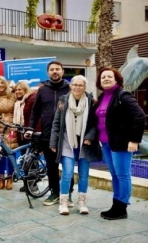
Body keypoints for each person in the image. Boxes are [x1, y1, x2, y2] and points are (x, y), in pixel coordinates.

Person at [94, 67, 145, 220]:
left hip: (121, 143)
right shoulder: (102, 97)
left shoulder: (123, 95)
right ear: (99, 81)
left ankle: (122, 208)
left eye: (110, 76)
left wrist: (134, 140)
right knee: (115, 175)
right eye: (103, 77)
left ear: (116, 80)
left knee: (123, 175)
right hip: (106, 143)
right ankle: (116, 205)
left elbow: (139, 116)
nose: (106, 79)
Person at [50, 75, 101, 215]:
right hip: (67, 142)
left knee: (84, 175)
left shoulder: (92, 102)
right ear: (71, 86)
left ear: (85, 87)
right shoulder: (63, 101)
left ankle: (82, 203)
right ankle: (63, 203)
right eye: (75, 84)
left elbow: (94, 124)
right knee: (67, 174)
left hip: (84, 144)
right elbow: (56, 124)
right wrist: (53, 143)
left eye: (81, 85)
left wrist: (89, 137)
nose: (77, 87)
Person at [26, 61, 75, 206]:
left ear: (62, 71)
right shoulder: (42, 90)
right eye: (52, 69)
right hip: (47, 134)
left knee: (68, 166)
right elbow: (35, 111)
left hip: (67, 134)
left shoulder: (70, 88)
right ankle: (54, 193)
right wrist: (31, 128)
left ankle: (68, 193)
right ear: (48, 73)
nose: (55, 72)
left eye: (57, 69)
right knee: (51, 166)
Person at [13, 81, 41, 192]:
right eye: (16, 90)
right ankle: (27, 184)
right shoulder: (18, 102)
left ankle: (33, 184)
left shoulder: (31, 98)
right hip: (22, 135)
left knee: (32, 161)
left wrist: (36, 132)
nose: (18, 91)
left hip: (31, 134)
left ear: (25, 89)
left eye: (20, 89)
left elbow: (37, 117)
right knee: (25, 160)